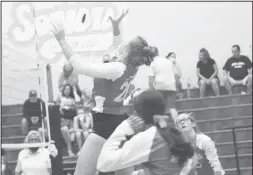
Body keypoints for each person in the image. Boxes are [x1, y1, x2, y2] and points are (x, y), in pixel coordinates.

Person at [50, 11, 157, 175]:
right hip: (117, 121)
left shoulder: (116, 68)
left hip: (105, 125)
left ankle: (154, 170)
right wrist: (115, 28)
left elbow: (79, 67)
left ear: (127, 51)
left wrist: (62, 40)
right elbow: (117, 47)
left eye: (125, 45)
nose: (121, 45)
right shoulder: (129, 66)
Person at [97, 90, 194, 175]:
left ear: (137, 114)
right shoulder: (172, 132)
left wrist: (123, 128)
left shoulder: (148, 138)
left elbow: (103, 164)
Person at [149, 48, 178, 122]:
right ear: (158, 53)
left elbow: (151, 80)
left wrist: (152, 91)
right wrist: (175, 86)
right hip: (171, 86)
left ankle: (163, 127)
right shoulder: (168, 61)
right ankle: (178, 125)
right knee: (172, 107)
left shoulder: (153, 63)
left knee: (159, 109)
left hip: (159, 87)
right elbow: (176, 75)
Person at [56, 84, 79, 156]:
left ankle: (73, 145)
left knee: (72, 135)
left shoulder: (73, 98)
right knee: (65, 129)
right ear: (63, 90)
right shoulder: (60, 97)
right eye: (66, 89)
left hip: (72, 120)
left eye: (69, 89)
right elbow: (56, 107)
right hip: (63, 120)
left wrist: (75, 92)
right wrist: (60, 109)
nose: (67, 90)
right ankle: (69, 150)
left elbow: (78, 104)